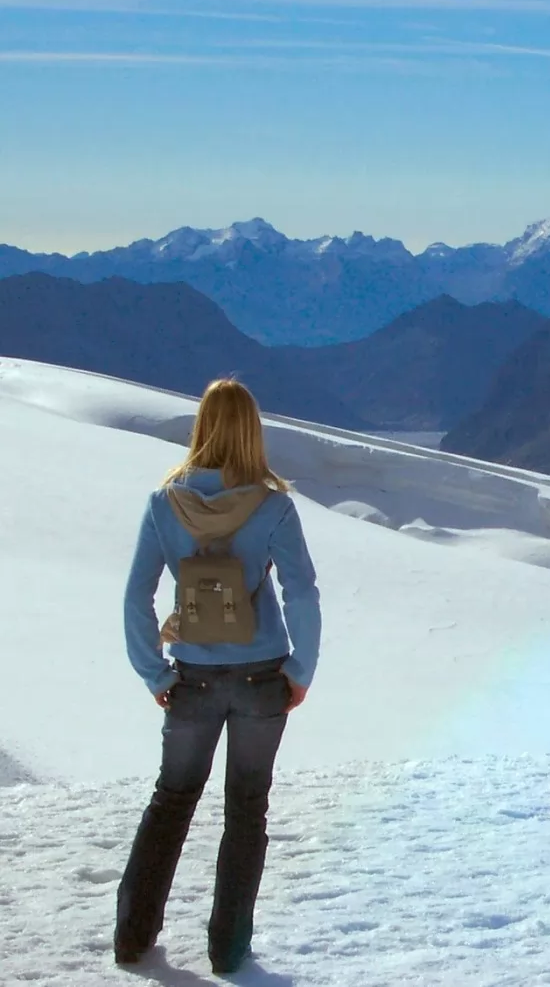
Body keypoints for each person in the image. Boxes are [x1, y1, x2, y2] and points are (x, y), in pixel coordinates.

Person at [115, 378, 321, 974]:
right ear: (252, 430)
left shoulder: (164, 504)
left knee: (171, 802)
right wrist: (300, 669)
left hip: (191, 681)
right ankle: (228, 951)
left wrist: (153, 672)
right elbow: (301, 592)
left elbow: (137, 595)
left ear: (201, 427)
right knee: (246, 809)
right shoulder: (274, 505)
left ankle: (133, 937)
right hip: (262, 678)